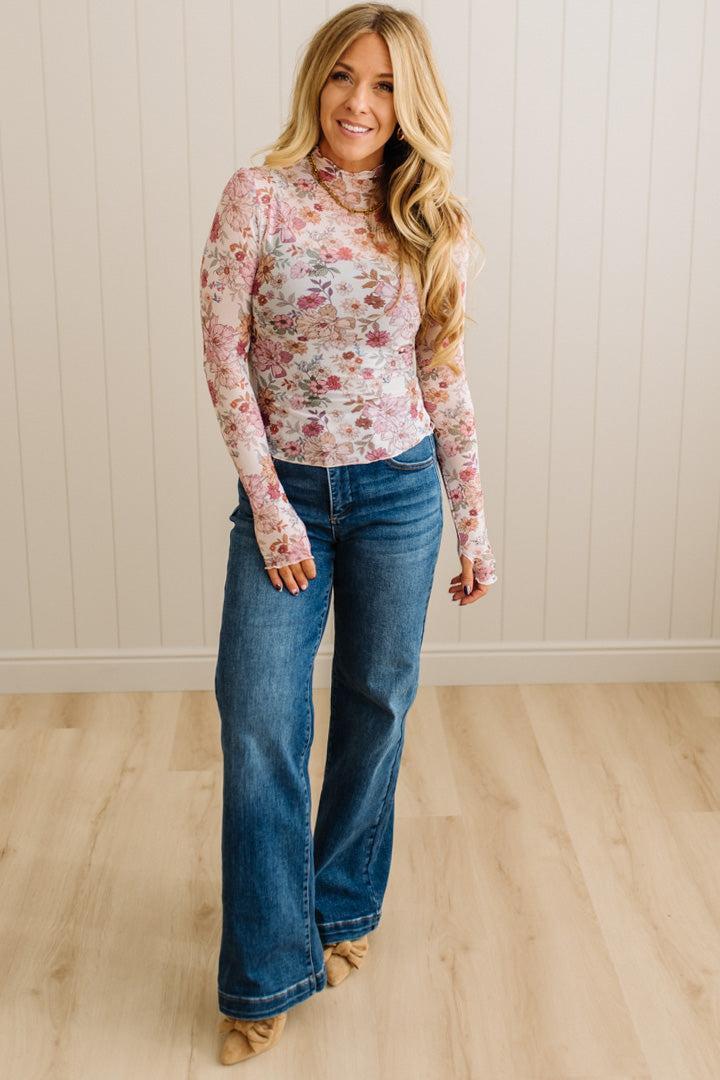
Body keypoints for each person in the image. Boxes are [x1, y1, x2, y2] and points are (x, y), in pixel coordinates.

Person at [199, 2, 497, 1065]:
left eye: (383, 85)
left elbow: (443, 378)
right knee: (258, 720)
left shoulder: (434, 220)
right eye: (342, 76)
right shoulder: (259, 197)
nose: (358, 102)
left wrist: (474, 524)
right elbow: (225, 356)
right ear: (315, 81)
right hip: (286, 495)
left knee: (376, 702)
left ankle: (341, 906)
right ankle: (265, 970)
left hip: (400, 494)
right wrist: (269, 505)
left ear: (410, 103)